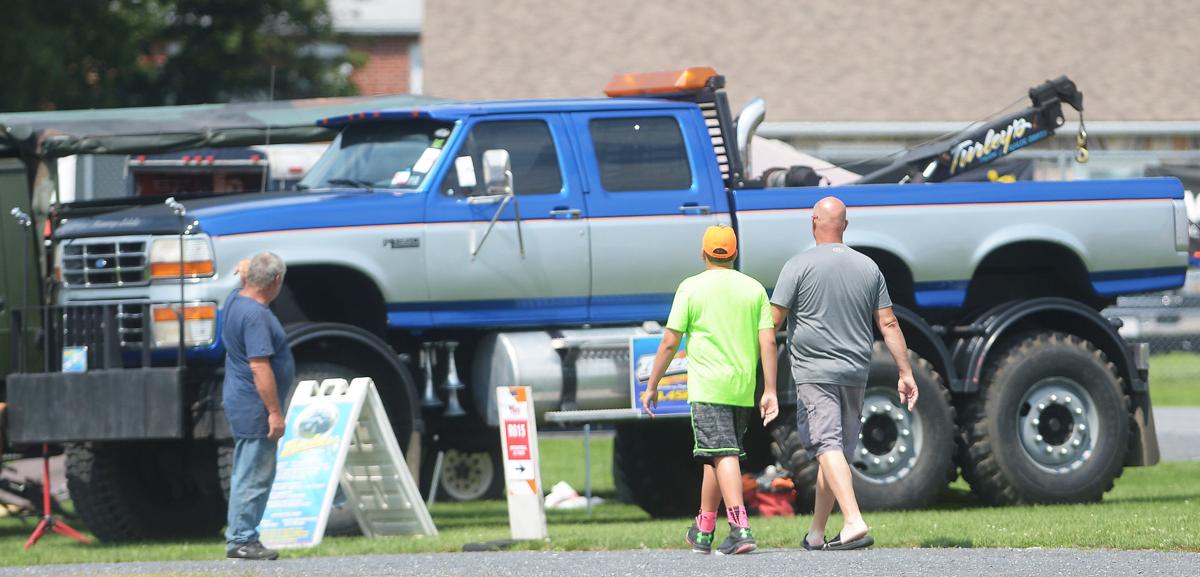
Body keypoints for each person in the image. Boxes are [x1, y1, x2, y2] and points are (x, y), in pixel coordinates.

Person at [770, 196, 918, 551]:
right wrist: (905, 371)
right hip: (855, 372)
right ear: (845, 226)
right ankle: (817, 533)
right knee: (833, 451)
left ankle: (853, 520)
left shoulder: (798, 265)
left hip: (814, 372)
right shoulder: (869, 267)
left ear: (813, 222)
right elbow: (888, 322)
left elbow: (772, 321)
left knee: (826, 446)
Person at [642, 225, 779, 555]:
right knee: (715, 455)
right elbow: (769, 340)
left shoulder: (691, 288)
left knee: (723, 453)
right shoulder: (754, 289)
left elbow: (669, 341)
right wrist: (770, 389)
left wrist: (652, 385)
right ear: (734, 254)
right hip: (742, 387)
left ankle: (739, 527)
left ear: (703, 253)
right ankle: (703, 529)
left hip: (708, 387)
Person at [223, 252, 294, 560]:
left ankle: (241, 536)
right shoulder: (255, 315)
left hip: (241, 400)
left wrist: (244, 272)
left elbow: (242, 279)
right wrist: (275, 412)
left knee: (246, 470)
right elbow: (260, 367)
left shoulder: (235, 300)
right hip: (255, 406)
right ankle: (242, 538)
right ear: (276, 281)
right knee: (254, 474)